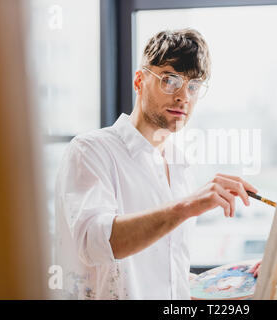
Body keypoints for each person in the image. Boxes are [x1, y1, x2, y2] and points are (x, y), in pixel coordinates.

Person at [55, 28, 260, 300]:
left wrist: (232, 281)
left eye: (194, 86)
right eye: (170, 80)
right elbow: (95, 243)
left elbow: (162, 276)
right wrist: (188, 206)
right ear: (139, 81)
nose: (183, 96)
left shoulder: (180, 167)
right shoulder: (90, 151)